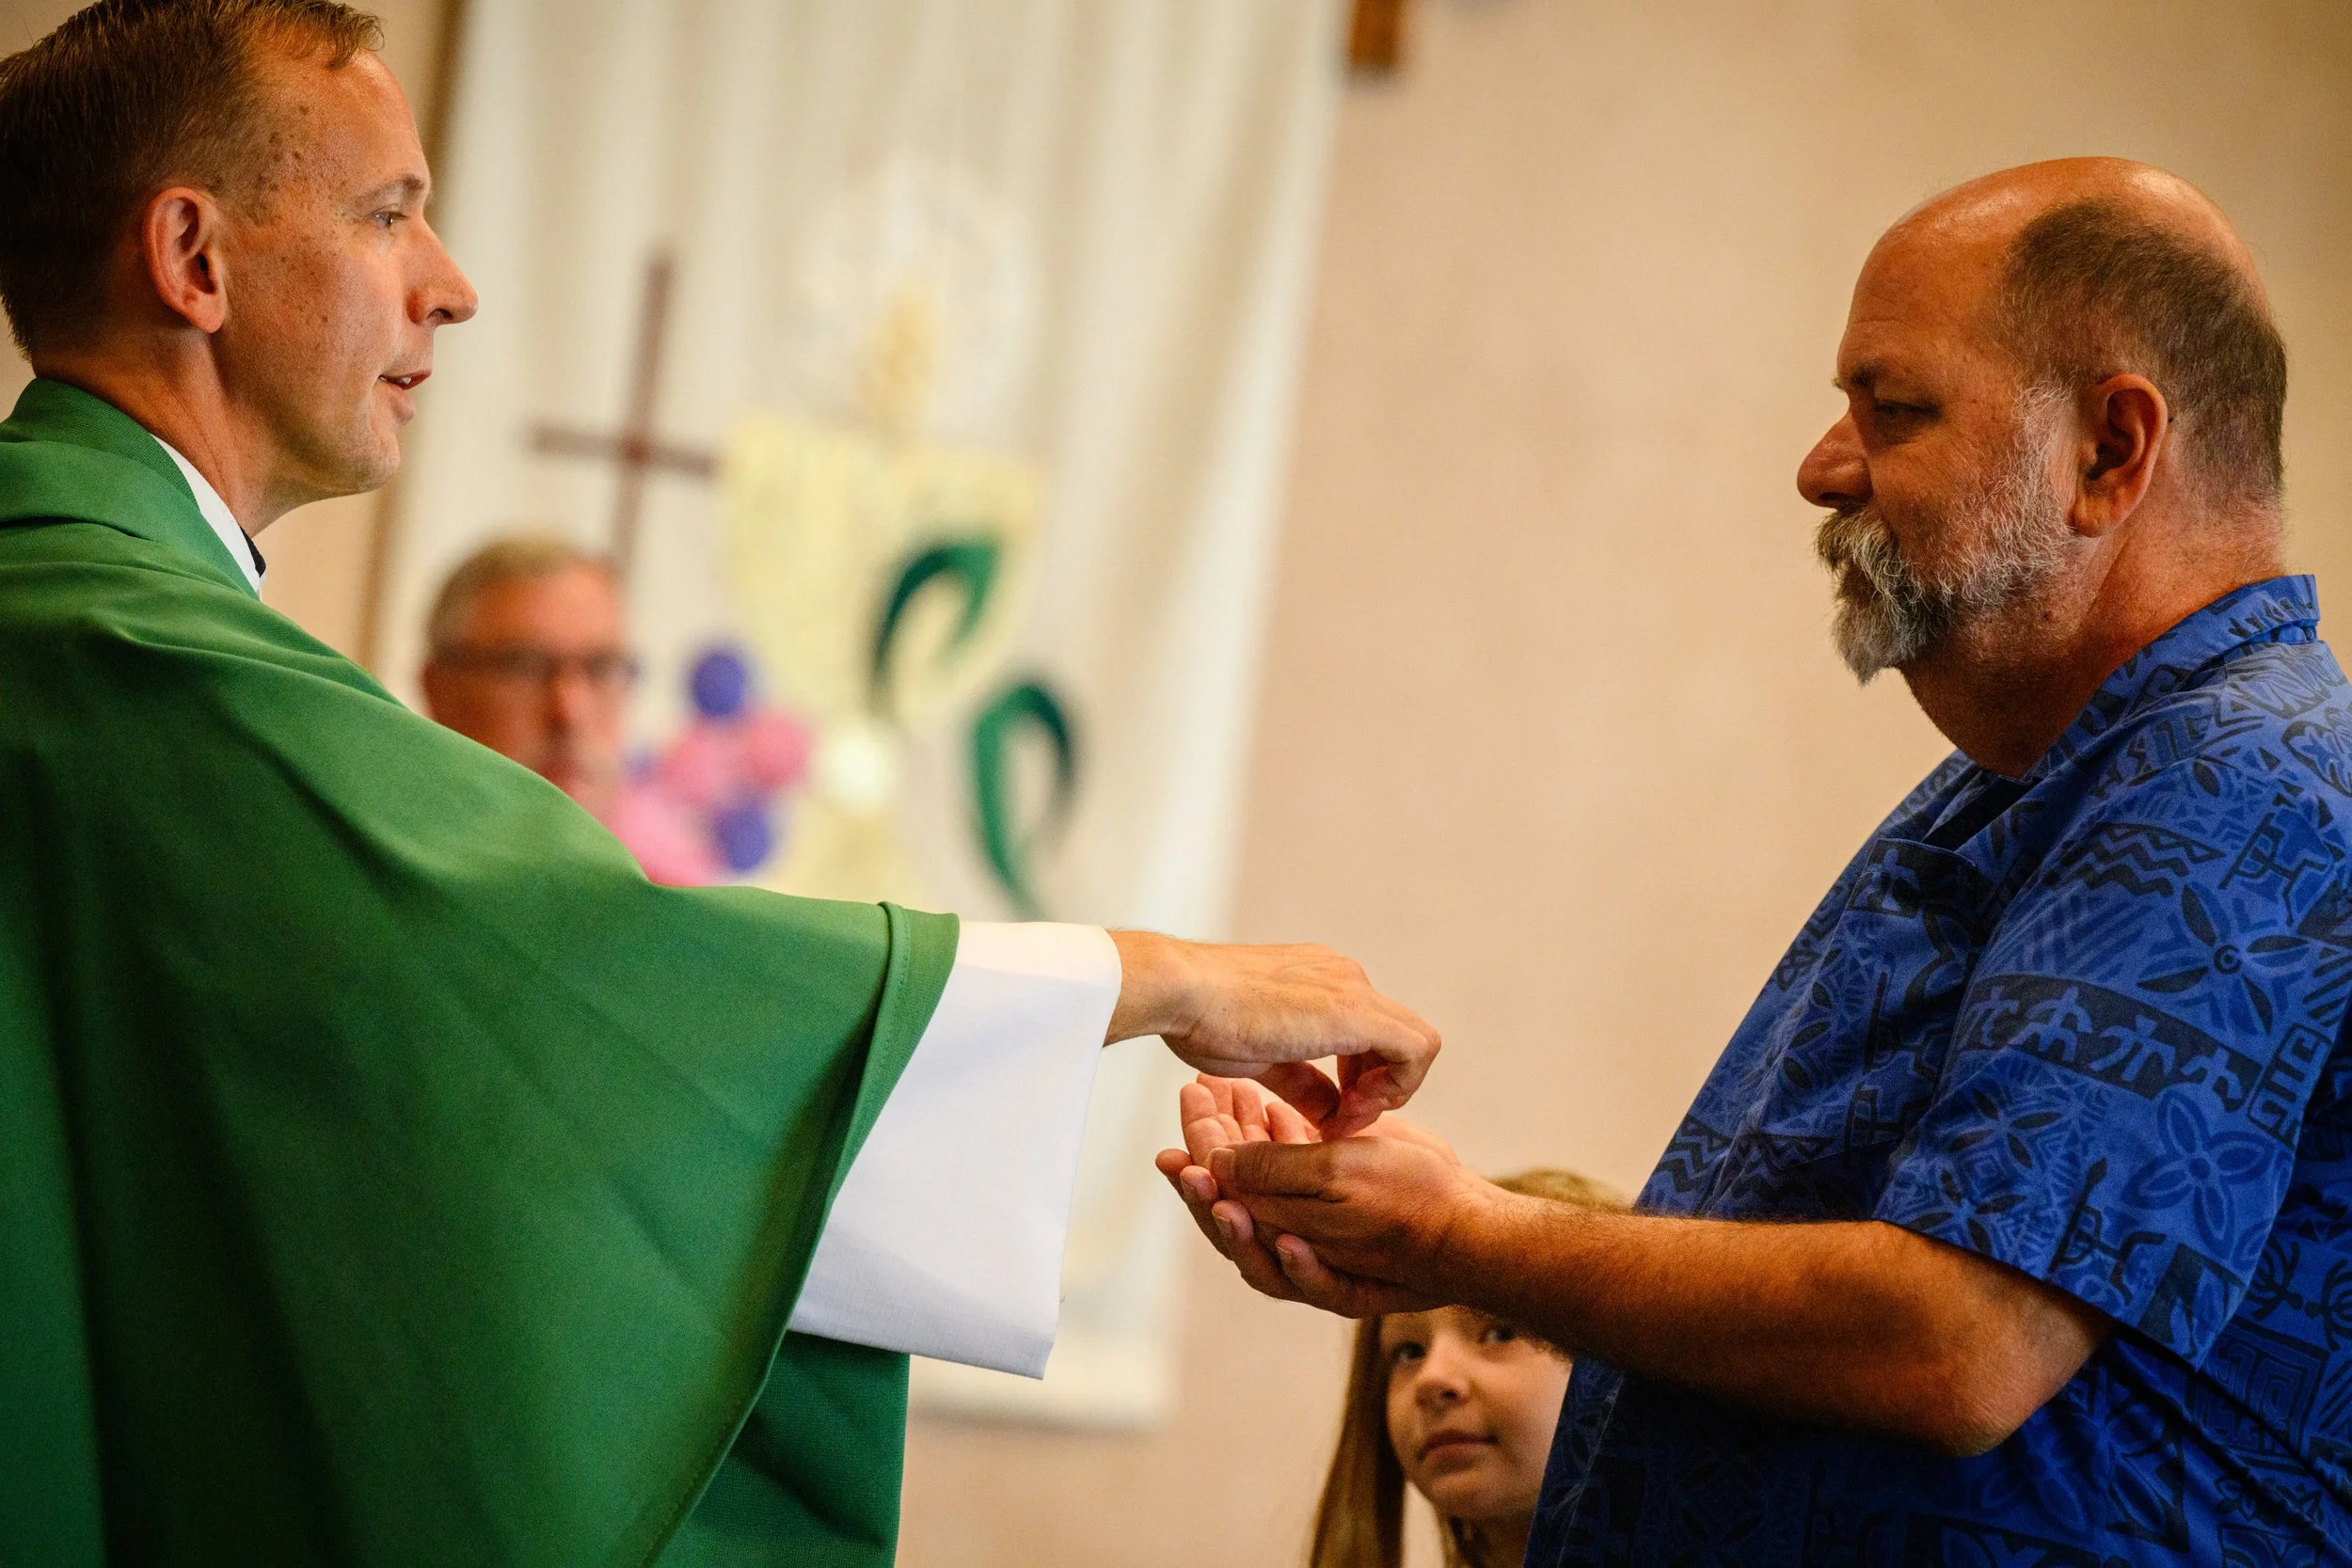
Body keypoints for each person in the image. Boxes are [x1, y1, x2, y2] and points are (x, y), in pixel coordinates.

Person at [0, 6, 1441, 1566]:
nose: (451, 282)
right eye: (389, 213)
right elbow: (583, 992)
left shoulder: (96, 612)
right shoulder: (113, 642)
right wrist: (1167, 978)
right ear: (194, 259)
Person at [1168, 158, 2352, 1564]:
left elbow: (1961, 1338)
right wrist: (1426, 1226)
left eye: (1893, 408)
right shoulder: (2047, 775)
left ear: (2108, 450)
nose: (1822, 466)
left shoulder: (2236, 767)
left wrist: (1465, 1240)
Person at [418, 534, 632, 821]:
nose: (569, 713)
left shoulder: (659, 862)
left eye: (601, 669)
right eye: (527, 667)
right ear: (439, 690)